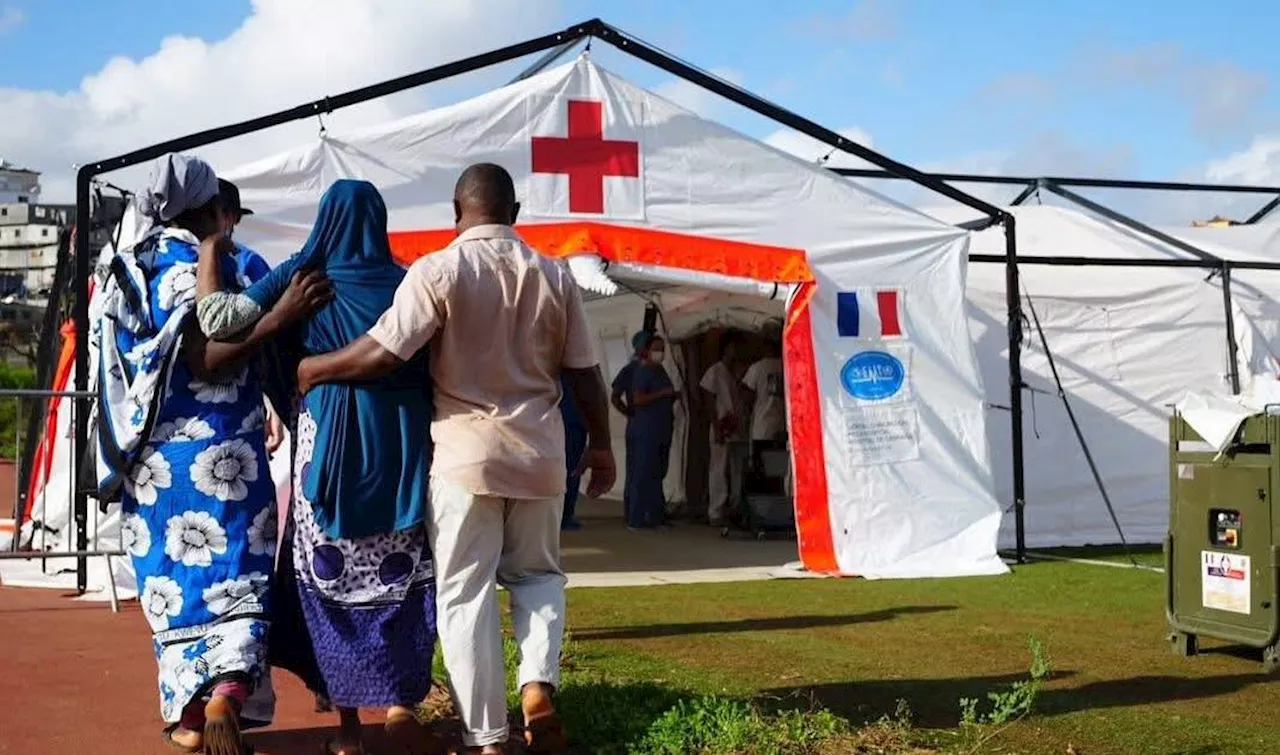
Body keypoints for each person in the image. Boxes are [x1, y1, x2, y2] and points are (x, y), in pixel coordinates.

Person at [295, 163, 615, 755]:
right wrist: (601, 444)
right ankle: (538, 685)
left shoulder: (438, 270)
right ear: (514, 212)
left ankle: (487, 737)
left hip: (465, 458)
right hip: (542, 454)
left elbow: (383, 352)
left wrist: (316, 367)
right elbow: (586, 374)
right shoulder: (554, 275)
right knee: (539, 577)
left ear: (455, 209)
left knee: (465, 594)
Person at [93, 154, 328, 755]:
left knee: (177, 588)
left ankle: (189, 720)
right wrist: (280, 317)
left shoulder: (124, 273)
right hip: (224, 455)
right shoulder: (215, 265)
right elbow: (211, 355)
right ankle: (227, 691)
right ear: (210, 210)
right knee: (238, 581)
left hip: (154, 468)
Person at [196, 180, 437, 755]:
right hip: (403, 444)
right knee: (400, 576)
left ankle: (349, 730)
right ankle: (402, 707)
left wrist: (211, 250)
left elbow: (216, 320)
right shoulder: (409, 283)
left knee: (328, 578)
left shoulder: (302, 274)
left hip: (324, 441)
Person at [217, 178, 286, 457]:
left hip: (239, 403)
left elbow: (272, 338)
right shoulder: (246, 263)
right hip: (234, 405)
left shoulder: (249, 264)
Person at [626, 334, 678, 530]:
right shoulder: (643, 372)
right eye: (656, 348)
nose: (660, 353)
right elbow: (638, 399)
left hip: (662, 429)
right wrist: (662, 394)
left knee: (658, 474)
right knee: (642, 474)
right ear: (646, 351)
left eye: (662, 349)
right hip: (647, 430)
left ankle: (655, 517)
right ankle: (636, 518)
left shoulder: (661, 371)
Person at [700, 331, 745, 526]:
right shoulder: (715, 371)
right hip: (721, 424)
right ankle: (715, 511)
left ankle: (732, 507)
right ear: (726, 349)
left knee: (734, 469)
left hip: (734, 426)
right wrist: (716, 426)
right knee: (718, 469)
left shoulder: (733, 372)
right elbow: (708, 398)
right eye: (734, 347)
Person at [610, 332, 648, 523]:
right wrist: (630, 413)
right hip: (638, 425)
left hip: (652, 426)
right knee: (636, 469)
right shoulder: (631, 370)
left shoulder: (654, 369)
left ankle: (645, 510)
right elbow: (615, 396)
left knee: (650, 470)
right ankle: (633, 513)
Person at [741, 323, 787, 444]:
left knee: (761, 462)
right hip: (782, 428)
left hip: (762, 428)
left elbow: (746, 397)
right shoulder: (786, 367)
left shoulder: (757, 367)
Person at [560, 374, 586, 531]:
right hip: (569, 428)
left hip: (573, 427)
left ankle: (565, 514)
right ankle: (564, 515)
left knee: (571, 472)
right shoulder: (577, 376)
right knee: (570, 472)